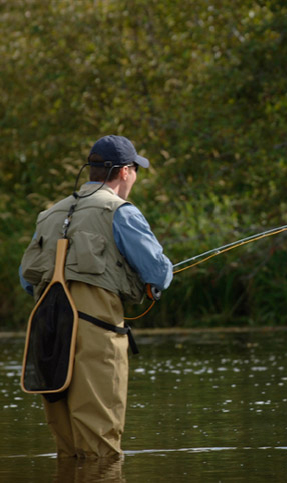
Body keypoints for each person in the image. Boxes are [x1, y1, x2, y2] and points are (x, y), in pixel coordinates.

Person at [19, 135, 173, 458]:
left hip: (48, 335)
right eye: (136, 171)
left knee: (68, 449)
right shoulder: (121, 212)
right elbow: (159, 273)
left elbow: (27, 280)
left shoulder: (49, 216)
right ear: (126, 171)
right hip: (95, 335)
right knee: (100, 450)